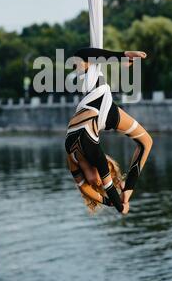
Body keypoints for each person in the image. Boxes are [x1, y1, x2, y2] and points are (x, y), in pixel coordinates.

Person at [65, 48, 153, 215]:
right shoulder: (95, 155)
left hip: (96, 104)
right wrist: (126, 193)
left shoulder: (72, 158)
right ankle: (129, 188)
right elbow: (107, 187)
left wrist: (112, 204)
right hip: (102, 106)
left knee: (79, 58)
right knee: (147, 142)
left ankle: (124, 60)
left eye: (94, 183)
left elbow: (83, 188)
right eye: (100, 182)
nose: (97, 181)